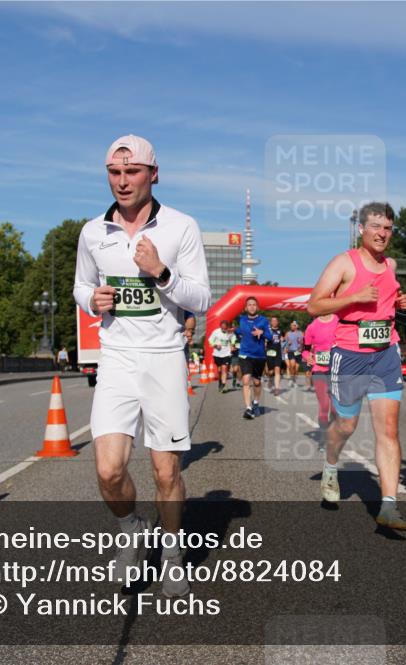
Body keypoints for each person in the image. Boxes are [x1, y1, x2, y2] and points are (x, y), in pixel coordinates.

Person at [73, 134, 211, 597]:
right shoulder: (93, 232)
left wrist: (162, 273)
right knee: (108, 470)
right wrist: (91, 299)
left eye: (132, 172)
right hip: (116, 359)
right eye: (114, 172)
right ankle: (132, 529)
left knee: (166, 473)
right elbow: (80, 286)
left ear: (153, 174)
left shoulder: (181, 227)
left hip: (164, 359)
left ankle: (172, 554)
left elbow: (201, 298)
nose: (122, 181)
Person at [306, 202, 406, 530]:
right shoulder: (343, 262)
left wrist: (401, 301)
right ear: (361, 229)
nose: (382, 234)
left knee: (389, 430)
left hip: (386, 354)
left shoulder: (391, 264)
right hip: (350, 355)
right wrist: (353, 297)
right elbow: (314, 305)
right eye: (376, 227)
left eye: (388, 228)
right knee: (346, 425)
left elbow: (386, 300)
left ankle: (389, 506)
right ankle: (331, 465)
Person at [234, 297, 271, 419]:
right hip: (245, 354)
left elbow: (270, 337)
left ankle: (255, 402)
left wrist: (262, 332)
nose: (251, 306)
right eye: (249, 305)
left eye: (254, 304)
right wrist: (234, 331)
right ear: (245, 308)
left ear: (257, 307)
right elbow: (239, 331)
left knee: (256, 382)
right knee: (246, 380)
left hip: (259, 355)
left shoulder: (263, 320)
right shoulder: (242, 319)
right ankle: (248, 408)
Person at [303, 313, 338, 430]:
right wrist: (307, 357)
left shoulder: (339, 320)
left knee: (335, 407)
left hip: (337, 368)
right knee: (324, 404)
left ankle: (332, 432)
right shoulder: (311, 327)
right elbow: (305, 350)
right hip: (319, 369)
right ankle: (324, 435)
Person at [208, 320, 236, 392]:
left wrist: (232, 345)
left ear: (227, 327)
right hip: (217, 354)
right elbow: (210, 340)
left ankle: (223, 385)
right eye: (222, 328)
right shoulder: (216, 332)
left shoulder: (229, 332)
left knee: (224, 368)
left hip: (227, 353)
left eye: (225, 328)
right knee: (219, 370)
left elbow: (233, 338)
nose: (224, 329)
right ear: (220, 327)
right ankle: (220, 381)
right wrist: (215, 345)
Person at [265, 316, 284, 395]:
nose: (274, 322)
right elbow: (264, 340)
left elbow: (282, 338)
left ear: (277, 322)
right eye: (273, 321)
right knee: (270, 372)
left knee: (277, 370)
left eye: (275, 321)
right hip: (270, 352)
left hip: (278, 353)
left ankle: (277, 388)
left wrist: (282, 339)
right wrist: (266, 341)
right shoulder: (268, 330)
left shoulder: (280, 331)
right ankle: (270, 379)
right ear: (271, 322)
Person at [284, 320, 305, 388]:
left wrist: (301, 346)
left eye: (293, 325)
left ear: (296, 326)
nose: (291, 327)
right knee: (292, 366)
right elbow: (285, 342)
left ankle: (294, 380)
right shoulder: (288, 333)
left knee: (296, 368)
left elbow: (304, 343)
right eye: (291, 325)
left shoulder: (301, 333)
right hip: (291, 351)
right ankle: (291, 380)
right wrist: (287, 345)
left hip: (298, 352)